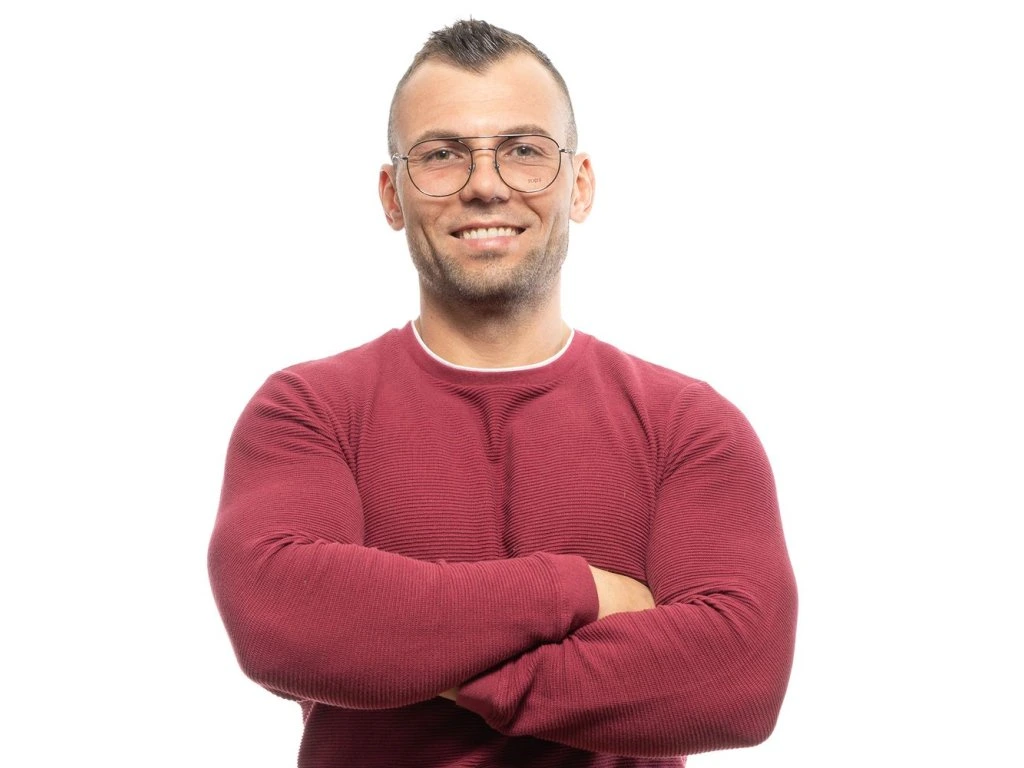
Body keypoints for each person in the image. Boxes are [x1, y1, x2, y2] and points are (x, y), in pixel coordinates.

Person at [208, 18, 797, 768]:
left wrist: (412, 655)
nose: (485, 185)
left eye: (523, 151)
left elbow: (738, 681)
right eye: (442, 155)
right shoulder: (305, 413)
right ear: (392, 196)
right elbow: (282, 619)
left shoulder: (690, 427)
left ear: (579, 184)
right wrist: (579, 590)